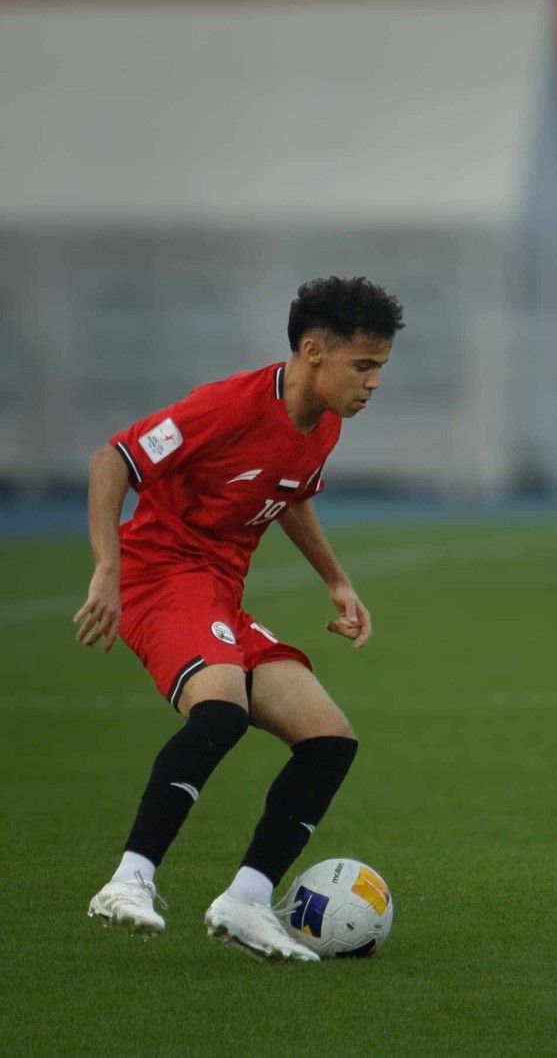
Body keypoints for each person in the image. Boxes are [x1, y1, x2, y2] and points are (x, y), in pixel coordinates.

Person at [76, 276, 404, 961]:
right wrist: (107, 570)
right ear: (314, 352)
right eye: (363, 366)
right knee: (219, 711)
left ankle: (247, 901)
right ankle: (128, 881)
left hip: (220, 592)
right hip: (160, 576)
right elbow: (115, 458)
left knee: (329, 740)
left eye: (380, 368)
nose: (373, 382)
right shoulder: (225, 406)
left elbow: (289, 494)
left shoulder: (326, 422)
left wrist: (337, 580)